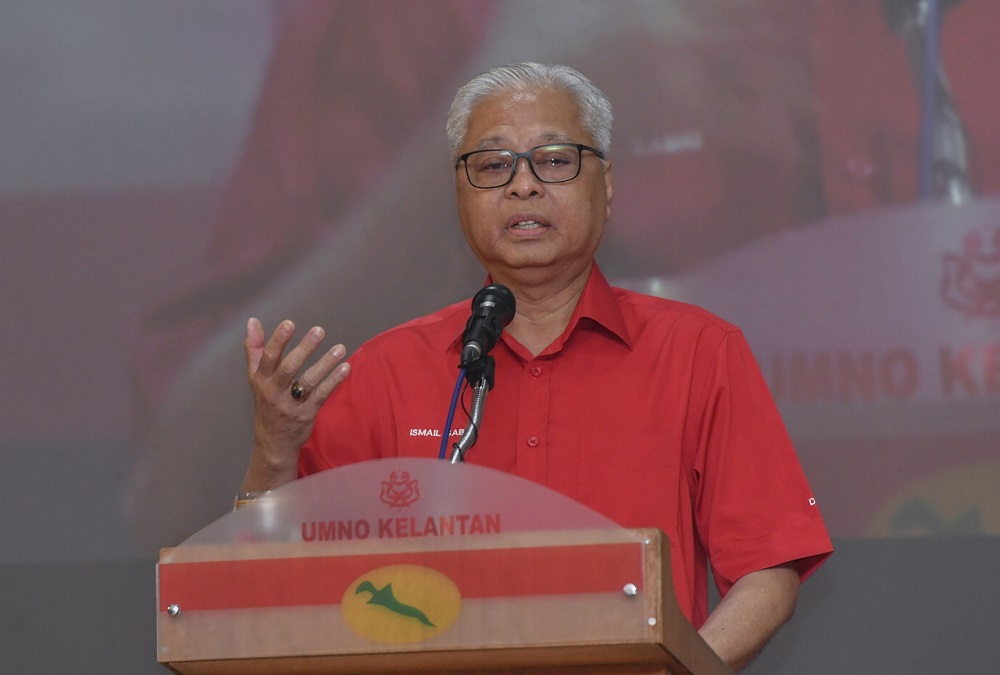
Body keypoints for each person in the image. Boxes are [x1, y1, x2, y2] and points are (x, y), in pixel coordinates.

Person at [237, 62, 832, 671]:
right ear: (460, 195)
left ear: (606, 186)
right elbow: (272, 590)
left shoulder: (698, 352)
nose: (523, 186)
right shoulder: (385, 371)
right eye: (494, 166)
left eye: (554, 159)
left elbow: (768, 568)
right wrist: (276, 450)